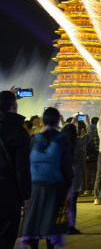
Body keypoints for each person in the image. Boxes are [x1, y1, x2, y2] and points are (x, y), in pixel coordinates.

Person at [19, 107, 73, 249]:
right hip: (55, 186)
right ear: (57, 121)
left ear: (43, 121)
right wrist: (68, 188)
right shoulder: (62, 139)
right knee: (51, 222)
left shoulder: (34, 139)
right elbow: (67, 167)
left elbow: (25, 164)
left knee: (34, 221)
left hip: (34, 186)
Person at [0, 90, 32, 249]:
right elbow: (22, 168)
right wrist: (26, 196)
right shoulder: (19, 132)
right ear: (15, 105)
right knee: (6, 237)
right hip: (9, 194)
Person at [60, 122, 94, 234]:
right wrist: (87, 125)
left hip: (62, 178)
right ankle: (70, 226)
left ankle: (61, 225)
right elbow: (90, 135)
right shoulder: (78, 142)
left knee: (62, 203)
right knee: (72, 203)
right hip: (74, 178)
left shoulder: (60, 144)